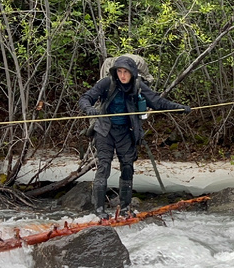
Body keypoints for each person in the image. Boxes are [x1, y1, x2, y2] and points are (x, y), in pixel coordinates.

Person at [78, 56, 190, 218]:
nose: (122, 75)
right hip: (104, 130)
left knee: (128, 167)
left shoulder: (138, 85)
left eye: (126, 72)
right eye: (120, 71)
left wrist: (179, 108)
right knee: (104, 167)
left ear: (133, 74)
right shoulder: (106, 83)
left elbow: (157, 102)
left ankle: (125, 209)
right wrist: (88, 108)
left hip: (125, 131)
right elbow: (85, 98)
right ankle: (99, 210)